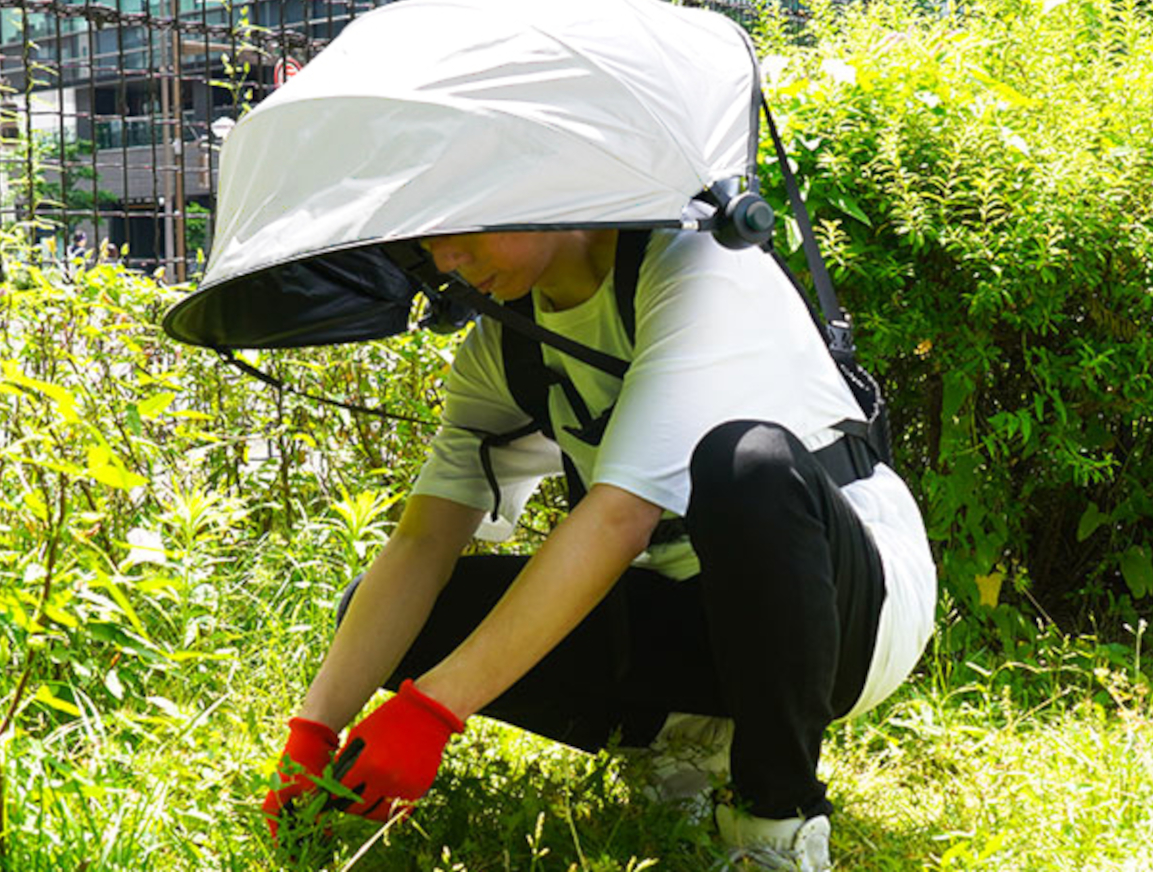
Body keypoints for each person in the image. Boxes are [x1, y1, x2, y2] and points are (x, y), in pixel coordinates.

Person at [260, 223, 937, 871]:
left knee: (748, 465)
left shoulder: (698, 267)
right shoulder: (506, 347)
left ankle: (774, 822)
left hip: (850, 615)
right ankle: (687, 734)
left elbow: (620, 519)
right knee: (401, 619)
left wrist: (433, 712)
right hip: (693, 609)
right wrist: (314, 731)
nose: (445, 262)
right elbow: (424, 540)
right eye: (428, 241)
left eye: (464, 228)